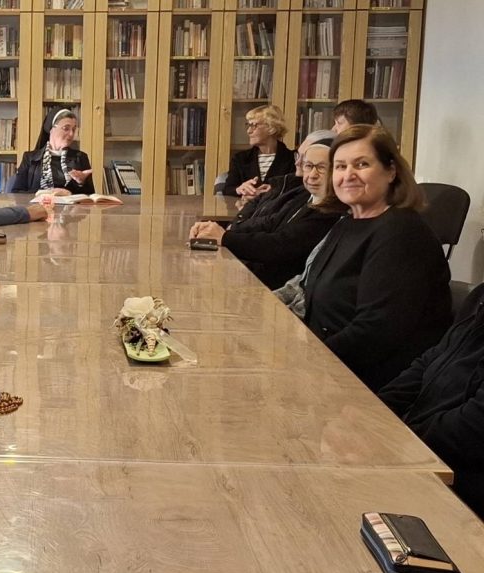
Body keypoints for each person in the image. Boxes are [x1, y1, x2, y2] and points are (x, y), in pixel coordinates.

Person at [302, 124, 451, 391]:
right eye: (340, 166)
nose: (348, 175)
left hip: (373, 386)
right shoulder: (347, 222)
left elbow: (374, 332)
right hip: (332, 366)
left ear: (391, 171)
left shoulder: (400, 231)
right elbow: (311, 294)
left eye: (361, 164)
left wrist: (303, 361)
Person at [377, 283, 484, 518]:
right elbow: (431, 359)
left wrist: (400, 439)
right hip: (420, 451)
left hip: (461, 486)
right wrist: (377, 410)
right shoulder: (480, 295)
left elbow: (474, 427)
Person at [189, 139, 347, 289]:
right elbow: (269, 222)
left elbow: (279, 245)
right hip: (256, 274)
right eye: (308, 166)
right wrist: (216, 228)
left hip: (274, 289)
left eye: (321, 168)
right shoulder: (304, 195)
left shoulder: (331, 211)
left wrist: (225, 237)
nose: (312, 175)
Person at [228, 129, 336, 232]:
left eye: (320, 166)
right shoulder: (287, 182)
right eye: (298, 155)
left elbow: (276, 228)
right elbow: (254, 205)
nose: (297, 162)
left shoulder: (308, 192)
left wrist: (234, 229)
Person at [9, 108, 95, 196]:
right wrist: (43, 194)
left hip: (70, 209)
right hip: (37, 208)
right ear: (51, 129)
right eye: (66, 128)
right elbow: (17, 193)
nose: (71, 134)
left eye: (74, 129)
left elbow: (90, 198)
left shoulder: (81, 158)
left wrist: (81, 183)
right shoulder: (30, 158)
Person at [223, 105, 294, 201]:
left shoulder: (293, 159)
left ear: (271, 128)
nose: (248, 131)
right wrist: (240, 189)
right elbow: (227, 189)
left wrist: (272, 192)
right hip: (246, 212)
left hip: (278, 214)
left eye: (253, 125)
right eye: (248, 125)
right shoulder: (240, 158)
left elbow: (297, 191)